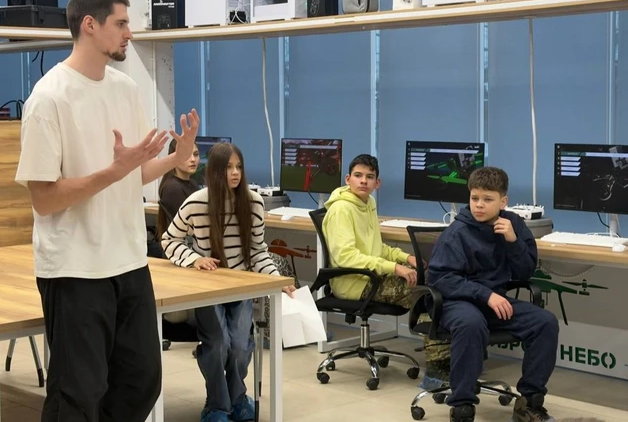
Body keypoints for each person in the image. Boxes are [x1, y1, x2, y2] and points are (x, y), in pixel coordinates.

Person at [15, 0, 200, 422]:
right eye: (121, 23)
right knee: (77, 394)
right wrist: (113, 173)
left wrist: (174, 159)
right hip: (74, 269)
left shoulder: (125, 89)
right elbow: (44, 199)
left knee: (141, 382)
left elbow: (133, 174)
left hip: (129, 262)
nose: (129, 33)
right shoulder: (48, 99)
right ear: (90, 25)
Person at [161, 142, 296, 422]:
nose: (235, 173)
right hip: (207, 289)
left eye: (239, 167)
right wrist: (194, 259)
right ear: (214, 171)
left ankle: (237, 398)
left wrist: (276, 279)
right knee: (218, 344)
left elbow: (257, 251)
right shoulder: (197, 202)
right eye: (228, 167)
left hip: (240, 286)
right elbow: (169, 239)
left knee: (240, 347)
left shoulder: (253, 202)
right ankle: (217, 406)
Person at [427, 166, 559, 422]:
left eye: (487, 199)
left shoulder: (513, 224)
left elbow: (524, 272)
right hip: (455, 301)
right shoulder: (456, 233)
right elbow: (441, 279)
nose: (479, 205)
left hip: (492, 301)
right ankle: (462, 406)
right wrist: (485, 295)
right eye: (474, 198)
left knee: (545, 322)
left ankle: (529, 403)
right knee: (470, 323)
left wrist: (513, 241)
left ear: (503, 201)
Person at [322, 154, 451, 386]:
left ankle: (452, 360)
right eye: (358, 176)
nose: (364, 181)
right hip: (355, 282)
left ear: (377, 183)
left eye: (369, 177)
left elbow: (377, 248)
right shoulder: (341, 209)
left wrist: (406, 258)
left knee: (435, 282)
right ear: (348, 179)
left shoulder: (368, 203)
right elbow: (346, 256)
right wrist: (395, 268)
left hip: (372, 277)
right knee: (427, 294)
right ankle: (437, 372)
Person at [156, 139, 200, 240]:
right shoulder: (172, 188)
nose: (193, 159)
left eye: (196, 154)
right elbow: (191, 225)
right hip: (182, 245)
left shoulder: (192, 183)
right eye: (186, 155)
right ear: (173, 158)